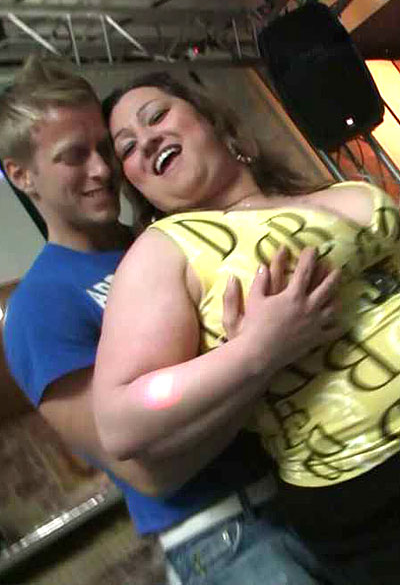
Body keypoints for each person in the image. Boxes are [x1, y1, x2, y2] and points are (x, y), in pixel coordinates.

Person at [1, 57, 341, 585]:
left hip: (308, 481)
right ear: (21, 175)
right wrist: (261, 355)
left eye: (105, 149)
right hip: (228, 534)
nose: (102, 170)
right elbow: (146, 471)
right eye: (73, 156)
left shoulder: (168, 237)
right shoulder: (37, 309)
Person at [96, 70, 400, 584]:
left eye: (156, 116)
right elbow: (120, 420)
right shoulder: (165, 248)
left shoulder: (324, 189)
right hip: (371, 481)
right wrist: (256, 351)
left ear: (213, 121)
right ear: (138, 185)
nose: (144, 141)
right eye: (127, 147)